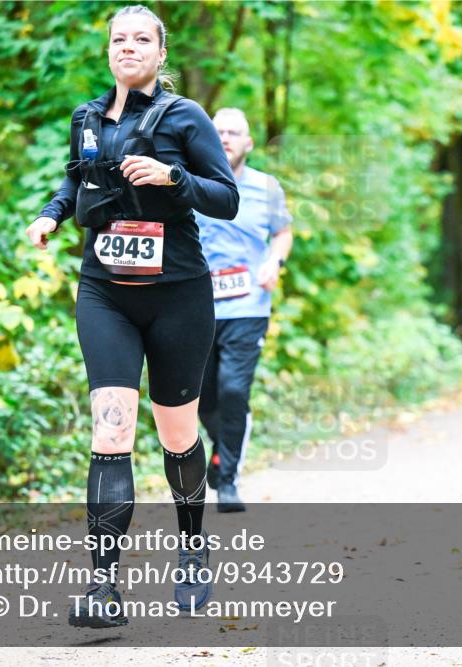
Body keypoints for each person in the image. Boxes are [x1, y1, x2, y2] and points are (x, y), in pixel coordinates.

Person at [25, 5, 238, 628]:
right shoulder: (86, 118)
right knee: (111, 432)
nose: (128, 47)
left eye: (141, 39)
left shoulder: (185, 117)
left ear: (160, 53)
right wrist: (51, 214)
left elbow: (225, 198)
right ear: (109, 50)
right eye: (119, 39)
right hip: (105, 293)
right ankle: (103, 587)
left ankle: (192, 549)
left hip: (178, 295)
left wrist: (173, 177)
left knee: (176, 435)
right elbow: (76, 182)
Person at [194, 108, 293, 513]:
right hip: (197, 307)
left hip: (248, 305)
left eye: (234, 132)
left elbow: (282, 233)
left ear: (249, 143)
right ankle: (222, 450)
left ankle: (228, 481)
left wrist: (274, 262)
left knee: (234, 390)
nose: (225, 138)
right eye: (218, 131)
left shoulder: (267, 188)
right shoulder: (192, 183)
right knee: (200, 398)